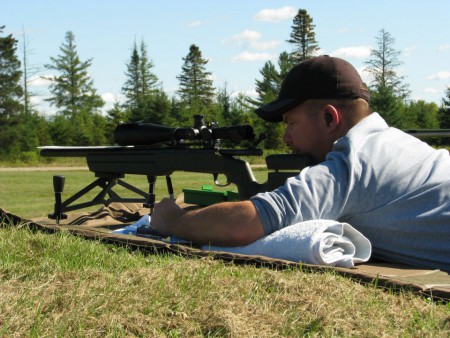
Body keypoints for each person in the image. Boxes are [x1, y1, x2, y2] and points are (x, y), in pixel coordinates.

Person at [151, 55, 450, 271]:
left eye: (291, 123)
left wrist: (174, 222)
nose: (286, 137)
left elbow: (249, 223)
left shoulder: (353, 160)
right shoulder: (387, 142)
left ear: (329, 118)